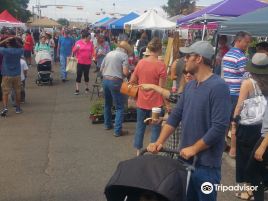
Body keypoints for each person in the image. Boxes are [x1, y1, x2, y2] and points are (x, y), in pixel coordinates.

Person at [147, 41, 232, 201]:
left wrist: (194, 148)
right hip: (184, 159)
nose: (184, 60)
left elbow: (219, 128)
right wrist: (159, 141)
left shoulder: (219, 87)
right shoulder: (191, 85)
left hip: (207, 165)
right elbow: (175, 116)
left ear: (199, 59)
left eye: (188, 56)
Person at [231, 53, 267, 200]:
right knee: (258, 160)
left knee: (244, 158)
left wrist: (234, 123)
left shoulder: (248, 83)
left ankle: (246, 190)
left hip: (248, 127)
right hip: (263, 128)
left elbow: (239, 105)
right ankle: (257, 187)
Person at [140, 67, 194, 158]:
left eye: (191, 72)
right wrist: (162, 119)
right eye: (185, 72)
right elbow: (179, 114)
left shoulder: (197, 91)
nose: (188, 74)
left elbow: (175, 97)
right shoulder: (186, 88)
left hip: (184, 143)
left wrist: (153, 87)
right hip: (173, 141)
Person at [130, 37, 167, 156]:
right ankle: (153, 153)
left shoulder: (141, 62)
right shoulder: (161, 66)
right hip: (156, 103)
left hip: (141, 100)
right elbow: (161, 89)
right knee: (155, 128)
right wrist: (168, 105)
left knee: (140, 126)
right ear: (160, 49)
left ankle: (138, 152)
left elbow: (132, 80)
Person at [222, 31, 252, 158]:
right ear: (238, 41)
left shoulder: (227, 54)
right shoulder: (241, 57)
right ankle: (233, 150)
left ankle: (222, 144)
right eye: (246, 42)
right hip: (237, 95)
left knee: (225, 121)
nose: (248, 44)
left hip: (226, 92)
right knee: (236, 122)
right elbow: (248, 76)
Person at [244, 53, 268, 201]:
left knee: (251, 171)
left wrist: (263, 146)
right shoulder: (264, 87)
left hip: (266, 136)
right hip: (263, 133)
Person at [100, 41, 132, 137]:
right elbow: (126, 72)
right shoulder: (124, 56)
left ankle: (107, 124)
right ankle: (117, 131)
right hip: (116, 81)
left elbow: (101, 69)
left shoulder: (109, 53)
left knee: (107, 104)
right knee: (119, 107)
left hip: (105, 80)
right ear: (126, 50)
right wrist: (129, 71)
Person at [0, 36, 24, 116]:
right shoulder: (19, 51)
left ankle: (5, 108)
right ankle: (18, 108)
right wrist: (15, 40)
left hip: (6, 74)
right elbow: (22, 46)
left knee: (5, 92)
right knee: (17, 92)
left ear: (8, 43)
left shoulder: (5, 51)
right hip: (17, 74)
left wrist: (5, 40)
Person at [72, 31, 94, 95]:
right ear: (85, 37)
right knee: (79, 74)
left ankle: (86, 88)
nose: (90, 38)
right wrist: (76, 48)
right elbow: (73, 50)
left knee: (86, 75)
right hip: (80, 61)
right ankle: (77, 89)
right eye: (89, 37)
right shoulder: (78, 42)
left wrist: (92, 56)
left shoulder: (90, 43)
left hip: (88, 62)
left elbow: (92, 51)